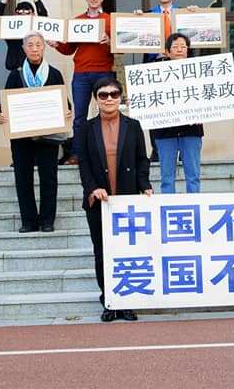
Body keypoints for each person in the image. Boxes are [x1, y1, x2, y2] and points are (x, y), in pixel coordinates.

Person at [76, 77, 153, 322]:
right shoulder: (86, 129)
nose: (109, 99)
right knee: (103, 251)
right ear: (96, 99)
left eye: (114, 94)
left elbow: (143, 159)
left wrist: (145, 185)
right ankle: (109, 300)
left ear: (120, 97)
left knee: (128, 252)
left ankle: (127, 302)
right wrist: (93, 187)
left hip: (127, 200)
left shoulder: (133, 125)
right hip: (100, 201)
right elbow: (84, 162)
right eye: (103, 95)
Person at [0, 32, 73, 233]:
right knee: (23, 178)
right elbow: (4, 105)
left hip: (48, 137)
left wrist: (66, 112)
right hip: (22, 137)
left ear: (44, 48)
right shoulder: (15, 75)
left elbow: (65, 103)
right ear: (23, 49)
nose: (34, 49)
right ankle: (28, 221)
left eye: (38, 45)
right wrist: (3, 116)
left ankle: (47, 220)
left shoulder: (54, 73)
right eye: (30, 45)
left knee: (49, 178)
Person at [49, 0, 114, 165]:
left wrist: (110, 41)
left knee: (107, 113)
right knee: (79, 118)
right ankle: (77, 154)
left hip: (104, 72)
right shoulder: (76, 21)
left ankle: (108, 152)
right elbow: (69, 49)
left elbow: (119, 48)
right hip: (82, 73)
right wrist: (57, 45)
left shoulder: (110, 20)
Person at [151, 33, 204, 193]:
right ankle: (168, 210)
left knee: (193, 176)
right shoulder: (155, 72)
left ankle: (195, 208)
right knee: (167, 178)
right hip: (165, 130)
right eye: (175, 47)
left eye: (183, 46)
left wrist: (203, 112)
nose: (180, 50)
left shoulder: (200, 72)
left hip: (192, 129)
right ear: (167, 52)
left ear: (188, 50)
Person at [0, 0, 47, 72]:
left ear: (33, 14)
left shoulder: (36, 29)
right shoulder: (11, 29)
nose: (23, 15)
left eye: (27, 12)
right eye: (20, 12)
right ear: (15, 14)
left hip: (35, 70)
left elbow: (44, 17)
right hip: (15, 69)